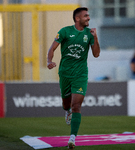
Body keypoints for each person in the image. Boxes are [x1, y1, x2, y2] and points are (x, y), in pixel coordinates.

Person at [47, 7, 100, 150]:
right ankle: (67, 111)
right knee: (66, 104)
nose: (88, 18)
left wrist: (95, 37)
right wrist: (48, 61)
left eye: (88, 16)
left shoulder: (89, 34)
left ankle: (72, 138)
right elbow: (52, 49)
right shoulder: (64, 31)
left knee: (76, 105)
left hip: (80, 75)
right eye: (85, 16)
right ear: (77, 19)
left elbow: (96, 54)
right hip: (65, 73)